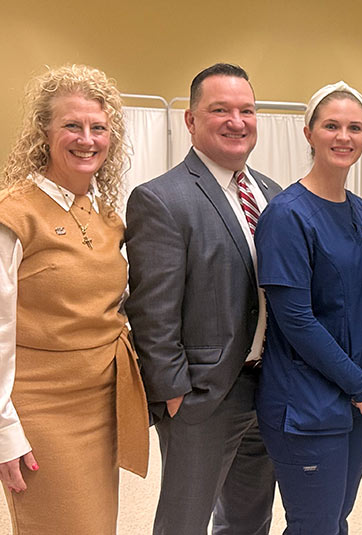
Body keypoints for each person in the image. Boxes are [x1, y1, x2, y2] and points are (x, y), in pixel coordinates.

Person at [125, 63, 278, 535]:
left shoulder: (272, 193)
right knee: (184, 523)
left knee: (250, 520)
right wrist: (174, 395)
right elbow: (152, 311)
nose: (237, 121)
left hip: (270, 387)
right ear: (190, 121)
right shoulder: (161, 198)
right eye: (220, 110)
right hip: (203, 398)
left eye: (246, 110)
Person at [0, 64, 149, 533]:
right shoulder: (15, 213)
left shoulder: (107, 217)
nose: (87, 139)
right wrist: (4, 431)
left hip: (103, 400)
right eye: (72, 125)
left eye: (98, 128)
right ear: (44, 133)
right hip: (42, 406)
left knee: (99, 524)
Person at [253, 81, 362, 535]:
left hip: (360, 399)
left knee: (335, 520)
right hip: (307, 402)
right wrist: (359, 383)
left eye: (355, 127)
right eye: (331, 125)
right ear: (308, 132)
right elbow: (294, 319)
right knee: (313, 525)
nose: (343, 136)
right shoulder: (286, 215)